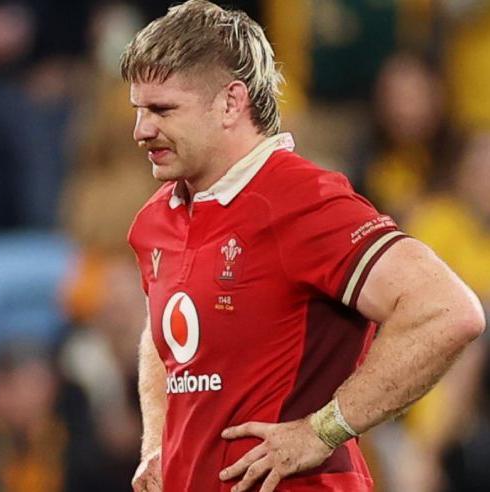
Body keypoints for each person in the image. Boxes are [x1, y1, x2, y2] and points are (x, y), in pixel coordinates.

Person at [121, 2, 486, 491]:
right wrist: (157, 443)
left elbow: (447, 309)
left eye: (162, 109)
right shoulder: (156, 220)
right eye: (138, 109)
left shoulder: (299, 200)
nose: (141, 130)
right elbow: (165, 332)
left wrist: (325, 429)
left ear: (231, 103)